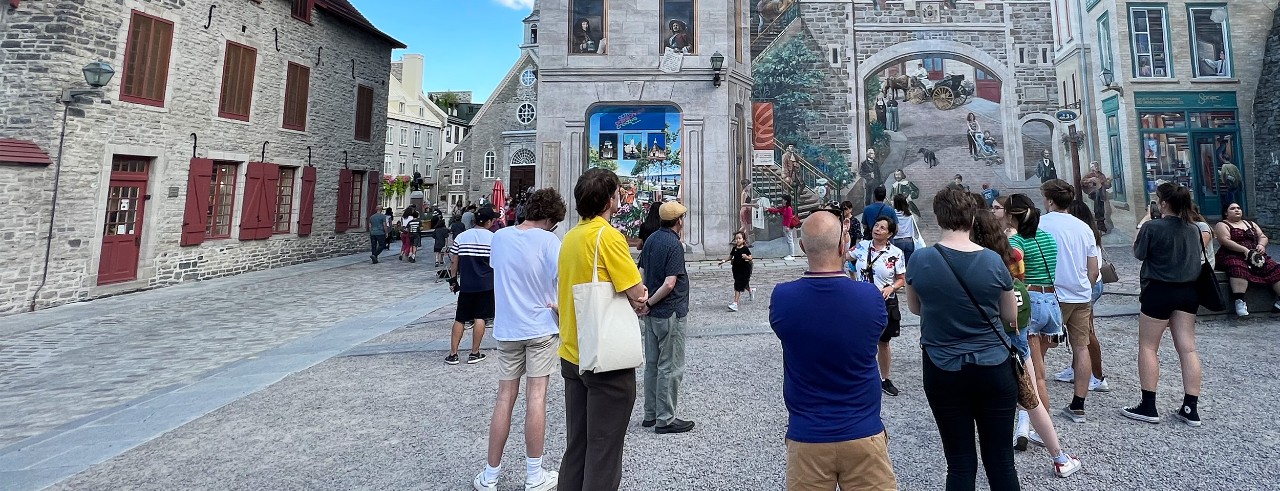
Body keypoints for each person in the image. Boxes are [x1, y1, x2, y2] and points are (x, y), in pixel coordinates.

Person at [771, 210, 897, 490]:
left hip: (807, 436)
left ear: (802, 247)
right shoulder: (869, 297)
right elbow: (875, 335)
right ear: (843, 246)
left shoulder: (783, 298)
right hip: (864, 432)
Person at [906, 188, 1020, 490]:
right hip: (993, 364)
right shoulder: (994, 261)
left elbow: (916, 307)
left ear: (939, 217)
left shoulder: (920, 260)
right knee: (1001, 461)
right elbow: (1010, 315)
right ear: (972, 217)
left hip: (942, 366)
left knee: (958, 462)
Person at [970, 210, 1083, 478]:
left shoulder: (973, 270)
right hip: (1015, 350)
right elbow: (1015, 319)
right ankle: (1059, 456)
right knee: (1031, 399)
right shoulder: (1008, 276)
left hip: (981, 351)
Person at [556, 168, 650, 491]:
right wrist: (643, 300)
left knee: (577, 447)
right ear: (610, 199)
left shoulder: (569, 237)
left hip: (572, 352)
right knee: (604, 453)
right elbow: (636, 290)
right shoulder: (608, 236)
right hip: (605, 359)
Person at [472, 189, 566, 491]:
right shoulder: (551, 241)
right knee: (536, 398)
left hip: (508, 327)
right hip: (539, 325)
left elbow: (501, 271)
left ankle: (490, 475)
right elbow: (558, 283)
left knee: (503, 399)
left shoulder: (500, 237)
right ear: (550, 219)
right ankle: (534, 474)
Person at [1122, 182, 1206, 427]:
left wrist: (1146, 220)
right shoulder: (1193, 230)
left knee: (1148, 347)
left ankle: (1148, 404)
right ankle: (1191, 407)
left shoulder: (1152, 227)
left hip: (1159, 289)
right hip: (1188, 291)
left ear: (1164, 203)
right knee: (1188, 349)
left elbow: (1138, 252)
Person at [1037, 180, 1101, 424]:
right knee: (1081, 346)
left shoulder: (1041, 224)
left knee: (1039, 347)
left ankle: (1037, 400)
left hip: (1052, 294)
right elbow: (1093, 269)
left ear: (1050, 200)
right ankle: (1078, 404)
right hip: (1080, 293)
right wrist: (1084, 287)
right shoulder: (1083, 227)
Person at [1004, 193, 1062, 428]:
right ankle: (1026, 423)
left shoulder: (1018, 241)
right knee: (1036, 368)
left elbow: (1015, 260)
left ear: (1011, 216)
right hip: (1052, 302)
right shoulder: (1047, 237)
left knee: (1034, 375)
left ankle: (1040, 426)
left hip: (1032, 302)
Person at [637, 201, 695, 434]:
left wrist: (643, 301)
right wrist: (650, 302)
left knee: (652, 365)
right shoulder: (673, 244)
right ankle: (665, 418)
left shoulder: (651, 239)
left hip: (652, 315)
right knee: (670, 366)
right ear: (678, 221)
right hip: (670, 312)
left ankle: (650, 414)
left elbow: (640, 272)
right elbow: (670, 283)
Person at [1054, 201, 1111, 393]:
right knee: (1079, 334)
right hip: (1089, 284)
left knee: (1086, 333)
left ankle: (1098, 376)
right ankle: (1076, 368)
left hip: (1087, 285)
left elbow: (1091, 270)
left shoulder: (1083, 233)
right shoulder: (1086, 232)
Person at [849, 216, 907, 397]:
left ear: (889, 233)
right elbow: (841, 256)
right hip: (860, 300)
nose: (877, 229)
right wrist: (843, 233)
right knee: (858, 340)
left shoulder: (896, 253)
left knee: (883, 341)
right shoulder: (862, 246)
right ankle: (858, 378)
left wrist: (891, 287)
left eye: (882, 228)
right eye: (876, 226)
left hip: (884, 302)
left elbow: (902, 279)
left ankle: (885, 378)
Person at [445, 207, 497, 365]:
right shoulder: (493, 238)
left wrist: (453, 280)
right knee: (480, 317)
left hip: (467, 285)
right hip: (486, 284)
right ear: (488, 222)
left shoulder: (462, 236)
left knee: (460, 318)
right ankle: (474, 352)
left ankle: (453, 354)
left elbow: (454, 260)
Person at [1213, 201, 1280, 316]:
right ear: (1226, 212)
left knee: (1275, 268)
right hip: (1232, 254)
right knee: (1238, 267)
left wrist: (1261, 245)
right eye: (1232, 208)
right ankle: (1239, 301)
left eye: (1238, 208)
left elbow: (1262, 236)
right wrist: (1244, 250)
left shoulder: (1250, 224)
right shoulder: (1222, 225)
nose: (1237, 210)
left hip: (1255, 255)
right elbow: (1225, 240)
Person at [719, 231, 754, 312]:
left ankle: (735, 303)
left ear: (743, 240)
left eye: (739, 238)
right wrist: (724, 261)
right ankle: (751, 290)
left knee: (738, 285)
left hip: (744, 269)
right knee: (743, 285)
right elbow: (730, 257)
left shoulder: (745, 248)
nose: (737, 240)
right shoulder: (734, 248)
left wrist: (746, 257)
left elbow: (751, 257)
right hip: (736, 268)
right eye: (736, 239)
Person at [1082, 161, 1112, 232]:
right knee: (1098, 198)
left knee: (1100, 204)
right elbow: (1082, 182)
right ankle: (1100, 222)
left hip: (1101, 195)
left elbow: (1106, 186)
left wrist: (1109, 182)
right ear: (1092, 167)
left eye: (1097, 166)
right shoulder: (1089, 175)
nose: (1097, 167)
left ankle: (1100, 223)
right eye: (1095, 166)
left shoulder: (1102, 175)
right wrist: (1090, 180)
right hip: (1092, 193)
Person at [767, 196, 798, 260]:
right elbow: (777, 210)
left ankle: (792, 255)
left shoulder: (789, 208)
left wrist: (788, 227)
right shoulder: (785, 208)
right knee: (788, 240)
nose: (782, 201)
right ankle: (790, 254)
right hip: (785, 225)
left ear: (786, 201)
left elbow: (790, 218)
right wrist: (769, 209)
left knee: (790, 240)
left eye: (783, 200)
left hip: (788, 226)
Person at [892, 194, 919, 265]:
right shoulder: (909, 214)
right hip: (909, 242)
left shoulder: (893, 214)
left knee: (897, 266)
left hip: (896, 241)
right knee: (908, 266)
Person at [739, 180, 759, 244]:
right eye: (749, 186)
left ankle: (746, 241)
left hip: (747, 210)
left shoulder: (746, 193)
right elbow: (742, 204)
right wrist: (753, 205)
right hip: (744, 211)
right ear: (746, 186)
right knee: (745, 227)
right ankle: (738, 238)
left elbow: (748, 201)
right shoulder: (744, 193)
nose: (750, 187)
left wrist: (756, 200)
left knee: (746, 227)